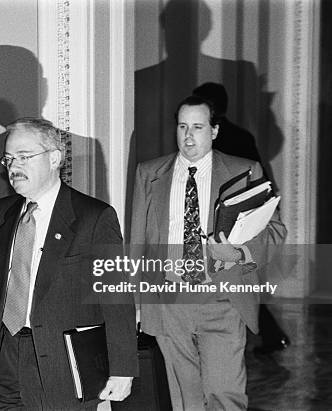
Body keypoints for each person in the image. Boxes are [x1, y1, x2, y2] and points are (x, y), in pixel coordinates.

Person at [0, 118, 137, 409]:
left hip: (64, 365)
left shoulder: (94, 217)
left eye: (23, 156)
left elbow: (117, 297)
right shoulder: (1, 213)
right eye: (8, 158)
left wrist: (123, 369)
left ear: (55, 158)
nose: (13, 167)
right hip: (6, 357)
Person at [130, 95, 286, 410]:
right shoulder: (150, 173)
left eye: (198, 127)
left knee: (224, 393)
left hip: (222, 302)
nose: (189, 136)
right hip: (169, 302)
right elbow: (139, 243)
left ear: (214, 131)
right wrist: (136, 302)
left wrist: (239, 254)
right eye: (182, 126)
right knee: (183, 399)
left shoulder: (244, 171)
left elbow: (276, 231)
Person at [193, 81, 291, 354]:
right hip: (243, 219)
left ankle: (261, 335)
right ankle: (269, 336)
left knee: (235, 282)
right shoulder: (242, 135)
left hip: (222, 222)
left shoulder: (212, 136)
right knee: (241, 281)